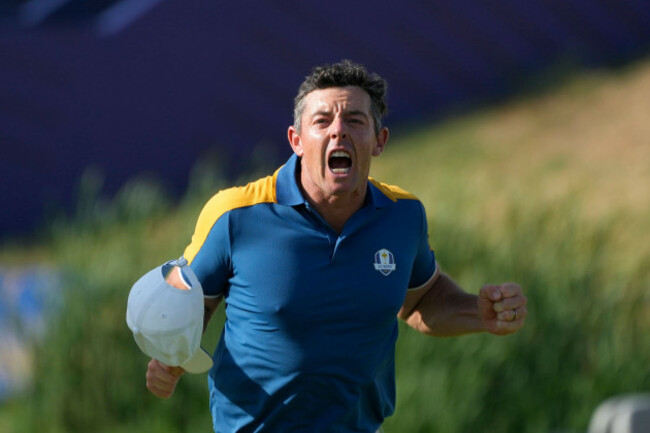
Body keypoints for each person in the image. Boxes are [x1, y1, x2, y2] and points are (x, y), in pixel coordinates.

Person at [143, 60, 527, 432]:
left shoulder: (403, 216)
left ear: (380, 141)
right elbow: (182, 304)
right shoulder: (235, 214)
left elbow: (421, 301)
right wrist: (170, 356)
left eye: (355, 121)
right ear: (296, 140)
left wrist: (478, 312)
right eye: (322, 121)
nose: (338, 132)